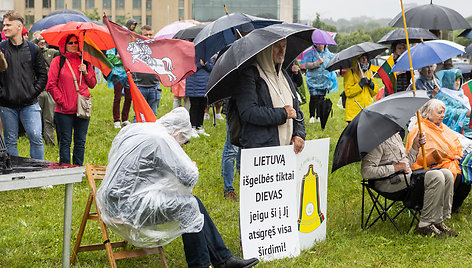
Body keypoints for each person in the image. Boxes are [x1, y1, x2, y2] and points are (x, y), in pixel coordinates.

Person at [96, 108, 259, 268]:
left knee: (193, 202)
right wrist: (191, 166)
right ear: (178, 132)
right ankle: (200, 264)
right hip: (127, 207)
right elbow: (189, 177)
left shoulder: (143, 129)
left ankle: (224, 259)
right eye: (184, 142)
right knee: (188, 207)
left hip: (114, 201)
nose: (182, 147)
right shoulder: (161, 139)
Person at [361, 130, 456, 237]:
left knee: (447, 174)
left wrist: (415, 147)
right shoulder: (376, 141)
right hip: (388, 183)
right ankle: (424, 225)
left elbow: (405, 165)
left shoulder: (395, 135)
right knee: (435, 176)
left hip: (404, 178)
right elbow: (366, 171)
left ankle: (437, 221)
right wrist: (395, 168)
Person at [234, 39, 305, 152]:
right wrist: (282, 113)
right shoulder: (250, 75)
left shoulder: (284, 74)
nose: (282, 50)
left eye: (284, 46)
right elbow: (248, 112)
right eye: (277, 46)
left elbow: (297, 111)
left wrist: (299, 134)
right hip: (262, 153)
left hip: (287, 153)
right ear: (265, 49)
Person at [406, 99, 471, 213]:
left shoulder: (440, 126)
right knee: (458, 176)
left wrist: (456, 155)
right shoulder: (420, 129)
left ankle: (453, 206)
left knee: (467, 174)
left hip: (447, 162)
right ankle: (443, 207)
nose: (443, 115)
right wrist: (450, 156)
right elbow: (426, 154)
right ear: (429, 113)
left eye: (443, 112)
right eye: (439, 112)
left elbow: (454, 142)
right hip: (426, 167)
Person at [0, 11, 47, 159]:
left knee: (36, 137)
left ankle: (38, 173)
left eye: (8, 25)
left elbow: (42, 75)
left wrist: (32, 92)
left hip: (30, 104)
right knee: (10, 141)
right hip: (7, 105)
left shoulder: (34, 49)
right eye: (4, 25)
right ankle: (15, 176)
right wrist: (2, 94)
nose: (4, 28)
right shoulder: (1, 49)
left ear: (19, 26)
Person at [46, 34, 97, 165]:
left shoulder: (84, 61)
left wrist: (85, 72)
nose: (74, 45)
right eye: (70, 43)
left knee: (80, 142)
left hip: (82, 108)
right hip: (64, 111)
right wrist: (63, 101)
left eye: (76, 43)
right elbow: (51, 85)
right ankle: (65, 170)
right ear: (64, 45)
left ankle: (78, 169)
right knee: (65, 142)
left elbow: (92, 84)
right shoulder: (58, 61)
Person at [35, 33, 60, 146]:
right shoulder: (31, 52)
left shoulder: (51, 52)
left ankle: (50, 143)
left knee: (49, 118)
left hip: (49, 91)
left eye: (44, 40)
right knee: (36, 118)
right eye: (39, 39)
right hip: (36, 91)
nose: (42, 41)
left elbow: (62, 54)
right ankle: (37, 142)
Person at [131, 25, 161, 118]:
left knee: (152, 116)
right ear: (140, 36)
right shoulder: (135, 49)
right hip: (139, 87)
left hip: (154, 87)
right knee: (139, 116)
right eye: (146, 34)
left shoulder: (158, 49)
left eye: (150, 34)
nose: (148, 37)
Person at [301, 44, 334, 123]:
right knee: (314, 98)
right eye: (318, 44)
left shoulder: (328, 53)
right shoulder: (311, 53)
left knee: (321, 98)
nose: (320, 45)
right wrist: (317, 63)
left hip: (324, 80)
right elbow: (307, 65)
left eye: (322, 43)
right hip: (313, 80)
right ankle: (312, 116)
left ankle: (319, 116)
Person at [344, 54, 379, 122]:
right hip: (354, 112)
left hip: (367, 109)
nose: (364, 60)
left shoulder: (368, 73)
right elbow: (348, 92)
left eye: (366, 58)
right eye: (362, 58)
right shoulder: (350, 73)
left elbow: (375, 92)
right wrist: (360, 84)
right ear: (357, 60)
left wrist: (371, 85)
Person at [186, 57, 214, 137]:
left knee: (202, 106)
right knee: (195, 106)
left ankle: (200, 126)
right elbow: (189, 68)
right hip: (194, 84)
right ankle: (192, 127)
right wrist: (199, 64)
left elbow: (212, 68)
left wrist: (206, 64)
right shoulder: (190, 55)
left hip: (205, 84)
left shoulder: (208, 55)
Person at [107, 48, 132, 128]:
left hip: (128, 74)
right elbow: (111, 59)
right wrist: (123, 59)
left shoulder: (127, 45)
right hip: (117, 75)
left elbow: (131, 59)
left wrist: (120, 57)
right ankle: (116, 120)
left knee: (129, 97)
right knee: (117, 97)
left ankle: (125, 119)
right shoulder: (112, 47)